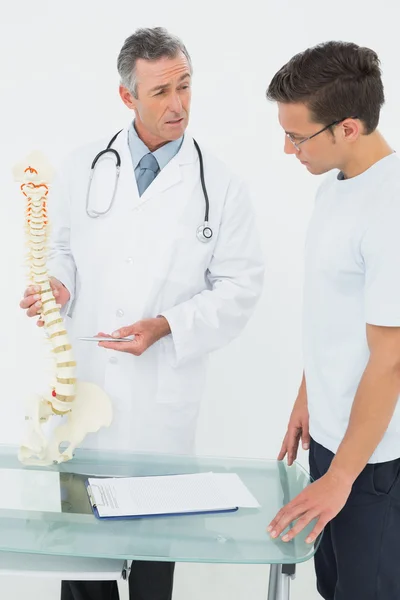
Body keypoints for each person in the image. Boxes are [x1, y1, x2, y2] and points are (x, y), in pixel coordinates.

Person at [19, 27, 264, 600]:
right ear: (127, 97)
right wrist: (57, 284)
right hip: (86, 398)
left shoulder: (220, 186)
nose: (177, 103)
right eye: (160, 92)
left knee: (156, 567)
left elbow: (241, 286)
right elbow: (63, 249)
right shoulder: (82, 167)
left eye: (185, 86)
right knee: (84, 568)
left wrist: (167, 326)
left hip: (163, 408)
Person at [265, 41, 400, 599]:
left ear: (348, 127)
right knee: (332, 588)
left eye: (298, 136)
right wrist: (308, 397)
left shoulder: (389, 211)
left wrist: (342, 477)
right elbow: (331, 313)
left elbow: (391, 361)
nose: (287, 148)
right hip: (329, 436)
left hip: (369, 462)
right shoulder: (333, 189)